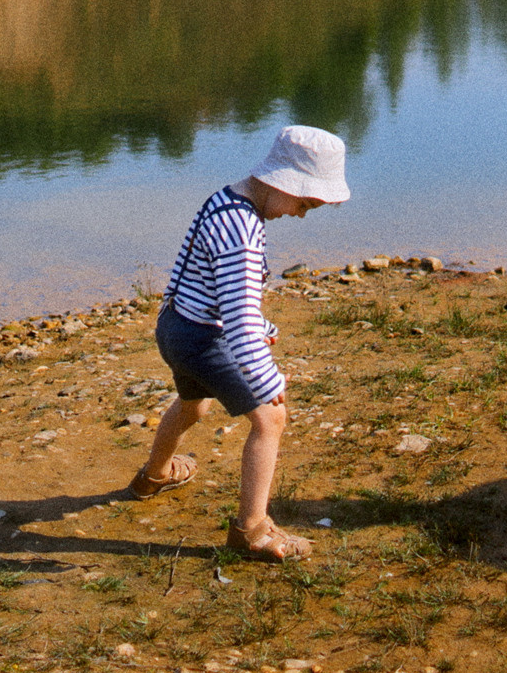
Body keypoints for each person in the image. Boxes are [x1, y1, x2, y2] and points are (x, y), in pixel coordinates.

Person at [125, 124, 349, 562]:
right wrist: (267, 378)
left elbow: (205, 282)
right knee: (270, 419)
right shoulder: (243, 231)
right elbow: (240, 319)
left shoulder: (224, 200)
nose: (301, 214)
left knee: (194, 405)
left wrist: (260, 325)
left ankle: (153, 476)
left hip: (175, 327)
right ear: (282, 182)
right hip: (204, 338)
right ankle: (252, 532)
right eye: (303, 202)